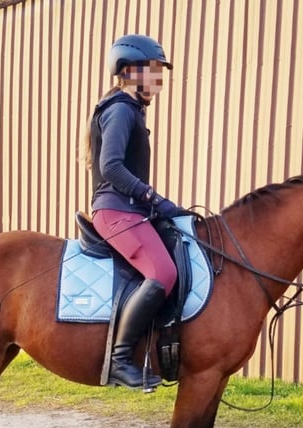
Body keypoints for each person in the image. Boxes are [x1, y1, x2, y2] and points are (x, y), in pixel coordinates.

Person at [85, 34, 181, 390]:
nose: (158, 82)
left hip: (132, 212)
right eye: (153, 72)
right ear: (127, 72)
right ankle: (121, 359)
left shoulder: (130, 110)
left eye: (161, 73)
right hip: (116, 212)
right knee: (162, 273)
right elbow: (110, 167)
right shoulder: (121, 110)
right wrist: (153, 197)